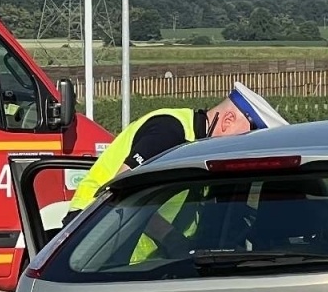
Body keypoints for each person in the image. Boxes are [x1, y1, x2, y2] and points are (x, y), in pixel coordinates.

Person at [65, 82, 288, 215]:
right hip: (91, 234)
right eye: (247, 135)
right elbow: (122, 193)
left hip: (138, 258)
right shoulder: (169, 131)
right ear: (228, 120)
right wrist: (171, 240)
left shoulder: (198, 145)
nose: (243, 146)